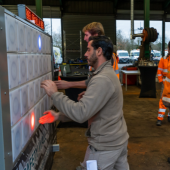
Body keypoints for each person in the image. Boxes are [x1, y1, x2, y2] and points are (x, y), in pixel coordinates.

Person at [40, 36, 129, 170]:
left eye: (88, 50)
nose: (85, 54)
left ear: (99, 51)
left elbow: (81, 113)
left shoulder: (102, 79)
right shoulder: (105, 74)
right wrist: (59, 116)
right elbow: (91, 110)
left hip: (104, 148)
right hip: (117, 142)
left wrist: (55, 94)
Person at [55, 22, 119, 93]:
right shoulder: (100, 56)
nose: (84, 38)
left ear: (95, 35)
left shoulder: (107, 56)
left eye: (86, 35)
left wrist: (68, 84)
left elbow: (100, 83)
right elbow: (95, 82)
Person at [156, 42, 170, 126]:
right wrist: (161, 81)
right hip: (165, 84)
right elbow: (159, 71)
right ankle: (160, 118)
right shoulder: (163, 59)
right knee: (163, 101)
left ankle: (169, 116)